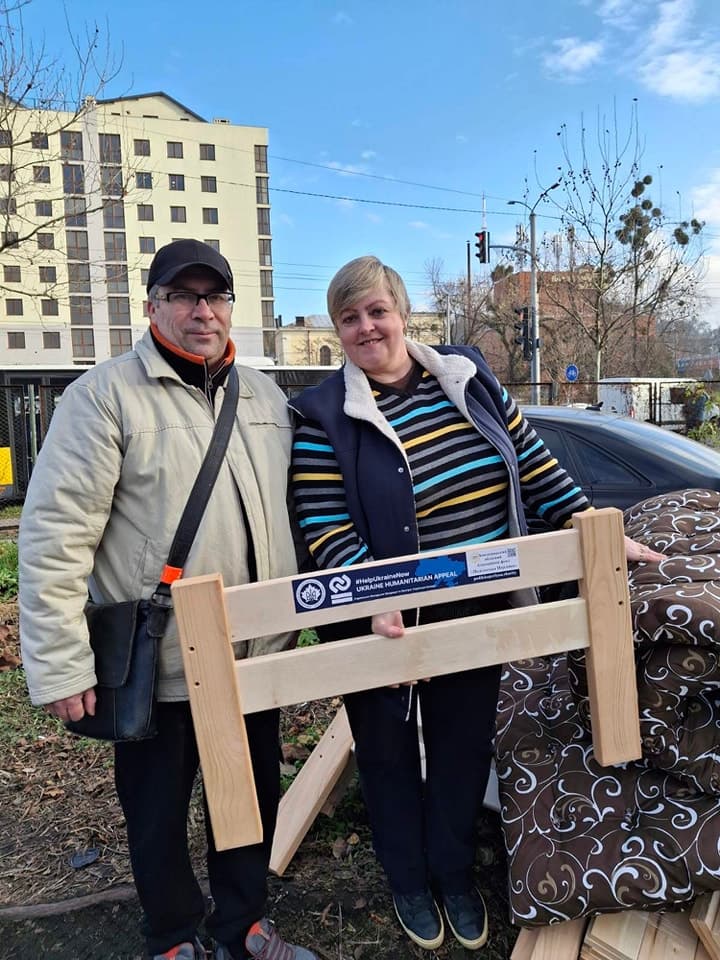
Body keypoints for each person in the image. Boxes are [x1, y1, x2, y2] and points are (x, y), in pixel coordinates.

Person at [289, 255, 661, 953]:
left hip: (475, 608)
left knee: (462, 751)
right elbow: (323, 522)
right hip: (382, 620)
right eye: (350, 317)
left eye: (377, 310)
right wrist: (374, 597)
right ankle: (407, 880)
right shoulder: (323, 417)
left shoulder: (468, 379)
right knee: (388, 754)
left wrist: (601, 535)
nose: (367, 327)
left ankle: (453, 875)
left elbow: (535, 464)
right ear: (338, 331)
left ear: (402, 313)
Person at [19, 239, 317, 960]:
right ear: (152, 306)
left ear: (230, 308)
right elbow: (55, 535)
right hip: (162, 663)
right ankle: (173, 935)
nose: (201, 311)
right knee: (155, 813)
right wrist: (61, 665)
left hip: (251, 660)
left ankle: (243, 925)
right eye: (183, 296)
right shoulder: (104, 396)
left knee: (247, 804)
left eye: (214, 297)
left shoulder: (266, 396)